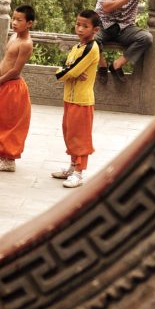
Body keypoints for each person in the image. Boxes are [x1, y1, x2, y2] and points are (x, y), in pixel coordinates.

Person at [53, 10, 102, 188]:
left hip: (82, 100)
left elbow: (68, 71)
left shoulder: (91, 48)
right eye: (78, 24)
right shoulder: (77, 48)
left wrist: (67, 73)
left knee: (81, 137)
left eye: (85, 26)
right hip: (69, 97)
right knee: (69, 133)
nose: (80, 29)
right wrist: (69, 72)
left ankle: (79, 172)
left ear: (95, 29)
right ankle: (72, 167)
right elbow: (66, 67)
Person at [0, 5, 35, 172]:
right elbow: (5, 60)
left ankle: (9, 159)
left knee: (11, 123)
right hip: (3, 83)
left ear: (29, 23)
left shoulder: (26, 43)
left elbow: (16, 70)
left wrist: (0, 80)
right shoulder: (13, 37)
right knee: (1, 119)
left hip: (13, 86)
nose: (15, 22)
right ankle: (2, 153)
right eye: (14, 18)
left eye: (19, 20)